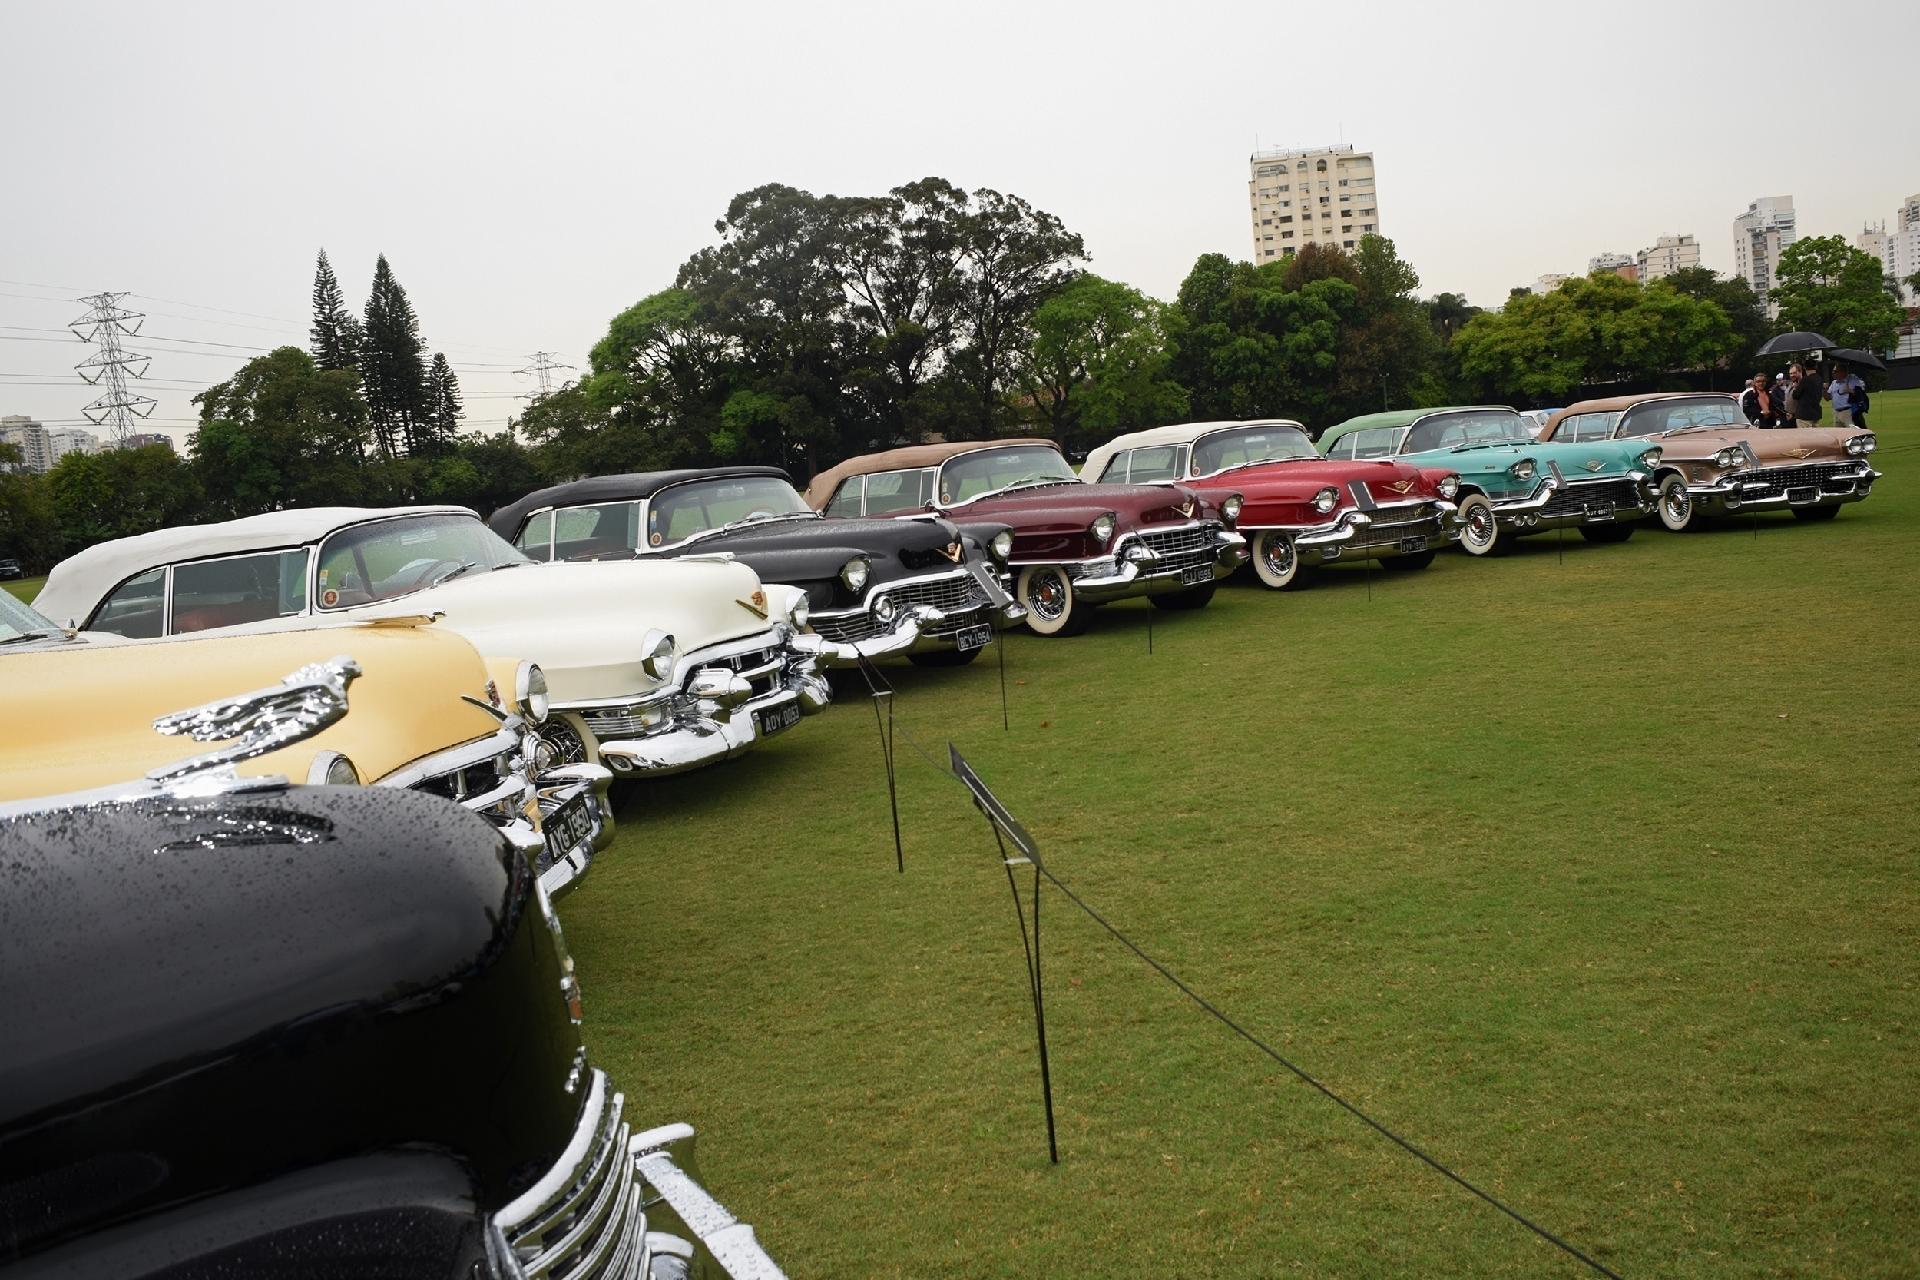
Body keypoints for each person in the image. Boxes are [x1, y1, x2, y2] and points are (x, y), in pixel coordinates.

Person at [1785, 362, 1824, 428]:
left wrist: (1796, 388)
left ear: (1801, 371)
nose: (1792, 375)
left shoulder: (1804, 380)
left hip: (1803, 415)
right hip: (1812, 414)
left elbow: (1796, 396)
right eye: (1790, 373)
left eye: (1794, 373)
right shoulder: (1818, 379)